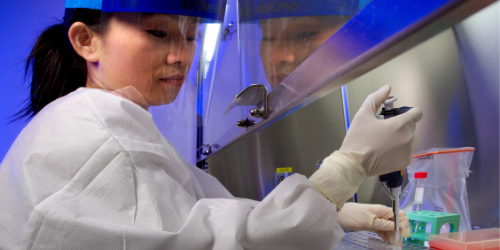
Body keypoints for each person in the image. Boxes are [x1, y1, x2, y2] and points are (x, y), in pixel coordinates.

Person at [0, 1, 423, 250]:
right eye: (158, 33)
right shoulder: (104, 144)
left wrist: (334, 212)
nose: (181, 55)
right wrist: (342, 172)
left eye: (188, 35)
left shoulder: (113, 121)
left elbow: (207, 219)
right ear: (86, 41)